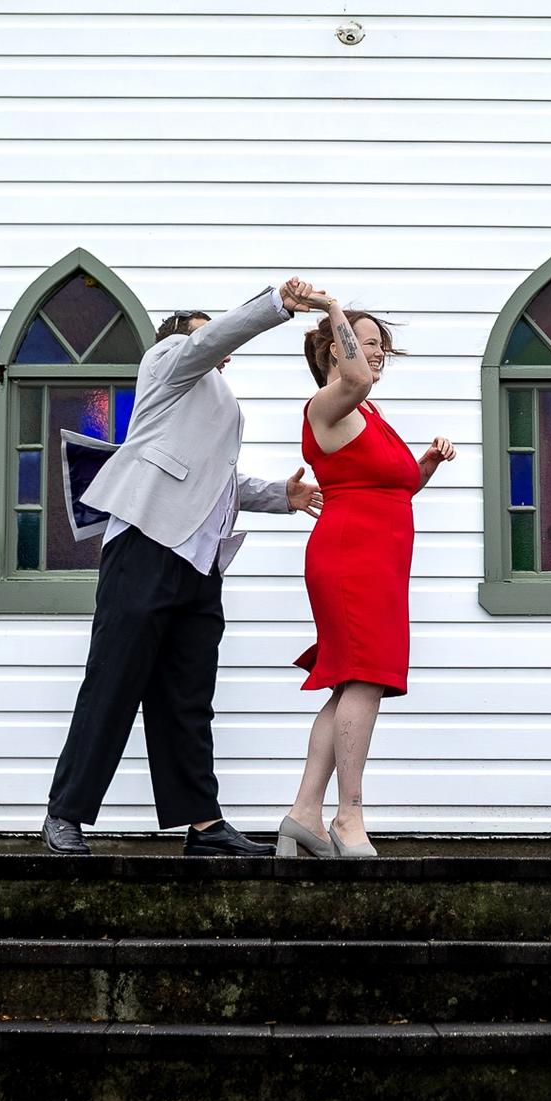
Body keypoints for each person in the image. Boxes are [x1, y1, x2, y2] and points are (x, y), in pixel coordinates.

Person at [41, 280, 322, 857]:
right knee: (113, 684)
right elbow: (205, 342)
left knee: (188, 698)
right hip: (144, 546)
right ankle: (64, 814)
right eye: (208, 334)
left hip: (200, 564)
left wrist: (280, 495)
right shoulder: (167, 360)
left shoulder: (208, 401)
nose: (222, 349)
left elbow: (218, 481)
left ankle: (203, 825)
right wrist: (275, 307)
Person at [277, 288, 454, 861]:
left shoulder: (370, 416)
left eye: (382, 344)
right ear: (336, 348)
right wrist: (332, 308)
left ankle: (304, 813)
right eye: (367, 341)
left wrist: (426, 463)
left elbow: (396, 487)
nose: (377, 352)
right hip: (349, 558)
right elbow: (354, 378)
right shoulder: (327, 405)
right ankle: (348, 815)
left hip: (380, 561)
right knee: (364, 677)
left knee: (350, 682)